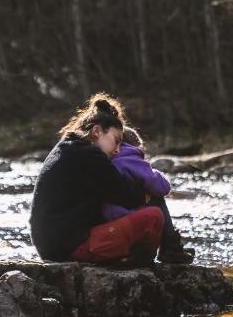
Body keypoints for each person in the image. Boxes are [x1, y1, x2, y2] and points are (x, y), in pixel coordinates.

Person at [29, 93, 164, 264]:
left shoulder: (67, 148)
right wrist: (149, 189)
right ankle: (144, 264)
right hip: (70, 248)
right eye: (116, 141)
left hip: (54, 247)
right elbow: (127, 195)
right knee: (154, 216)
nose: (117, 150)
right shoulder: (89, 155)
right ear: (97, 131)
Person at [102, 127, 195, 264]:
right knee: (156, 198)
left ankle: (169, 248)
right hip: (128, 224)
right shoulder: (129, 158)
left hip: (111, 226)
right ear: (133, 146)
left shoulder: (108, 160)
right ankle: (170, 248)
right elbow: (161, 186)